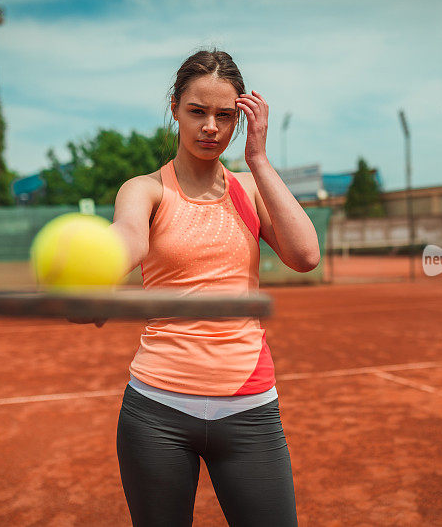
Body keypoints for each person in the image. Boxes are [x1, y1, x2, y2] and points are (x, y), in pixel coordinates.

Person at [99, 49, 318, 526]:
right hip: (157, 408)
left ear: (241, 118)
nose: (211, 127)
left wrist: (257, 159)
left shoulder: (251, 188)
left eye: (225, 115)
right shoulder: (145, 189)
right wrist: (95, 274)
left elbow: (305, 256)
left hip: (250, 409)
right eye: (197, 111)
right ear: (175, 107)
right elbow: (129, 239)